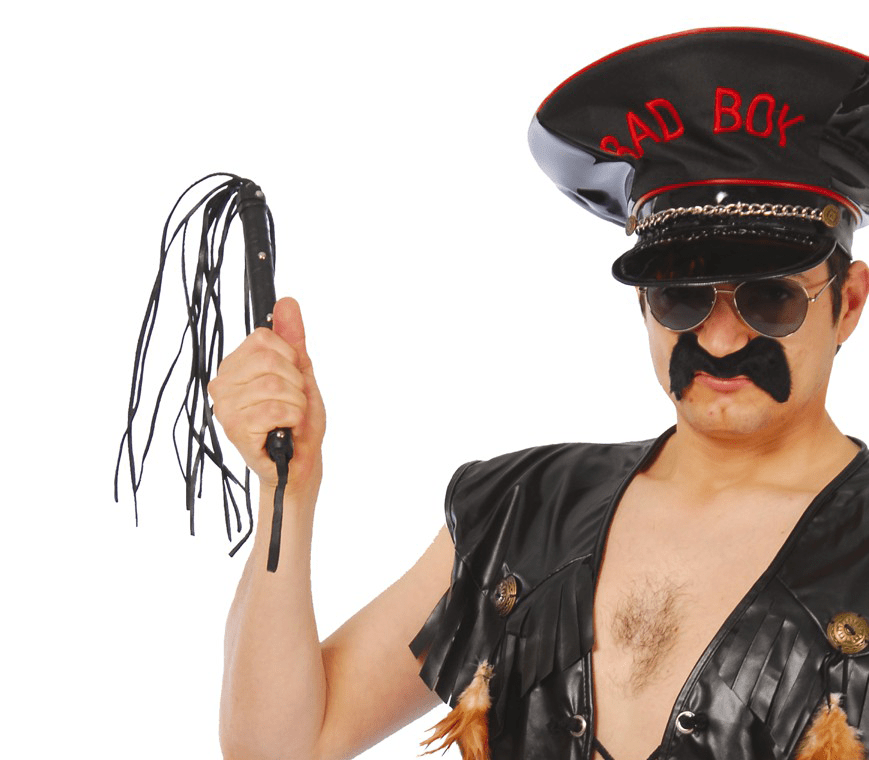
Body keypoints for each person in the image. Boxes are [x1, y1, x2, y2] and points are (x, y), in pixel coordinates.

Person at [211, 28, 869, 760]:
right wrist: (288, 490)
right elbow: (280, 748)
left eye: (769, 299)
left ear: (847, 302)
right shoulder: (519, 511)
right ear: (643, 304)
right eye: (680, 297)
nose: (717, 339)